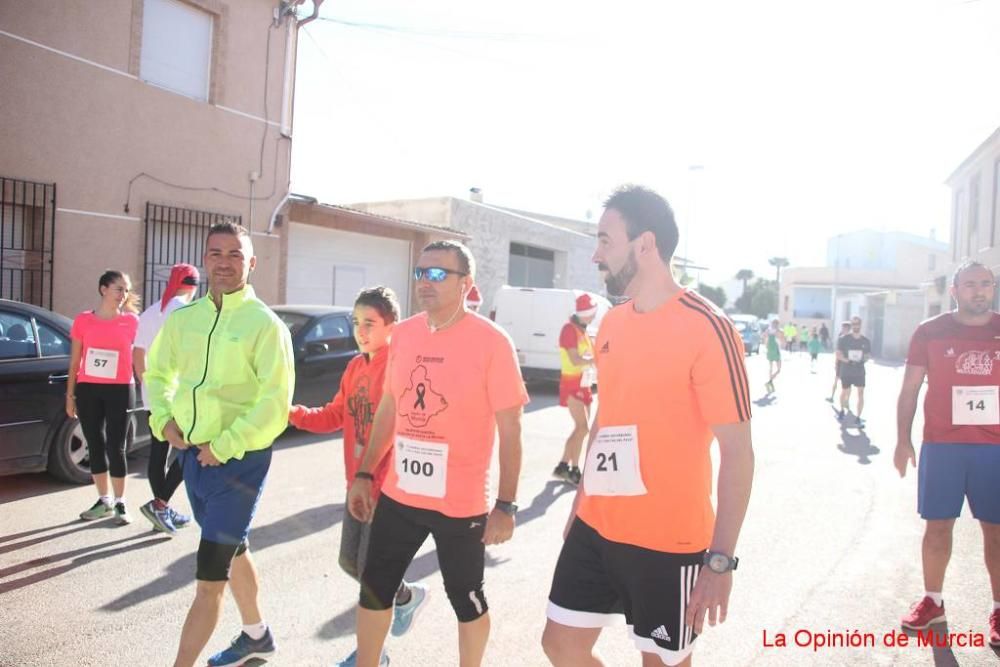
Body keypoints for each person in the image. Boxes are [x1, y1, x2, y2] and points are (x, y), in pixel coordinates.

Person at [541, 185, 754, 667]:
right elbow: (604, 422)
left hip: (668, 541)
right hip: (597, 524)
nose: (596, 255)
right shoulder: (611, 324)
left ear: (646, 244)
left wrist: (720, 559)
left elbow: (738, 452)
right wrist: (580, 500)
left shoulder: (708, 326)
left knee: (661, 663)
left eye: (604, 240)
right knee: (560, 645)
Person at [345, 240, 528, 667]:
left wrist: (505, 504)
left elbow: (511, 429)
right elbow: (391, 405)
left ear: (466, 284)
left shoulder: (491, 342)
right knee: (374, 585)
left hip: (460, 504)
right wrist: (366, 473)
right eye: (420, 272)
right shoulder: (404, 334)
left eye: (437, 274)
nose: (425, 281)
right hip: (400, 495)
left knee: (466, 598)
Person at [145, 222, 295, 667]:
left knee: (209, 579)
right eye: (216, 253)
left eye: (235, 254)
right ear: (205, 259)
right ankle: (257, 635)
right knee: (236, 547)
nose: (225, 262)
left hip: (239, 465)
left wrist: (225, 446)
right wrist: (163, 419)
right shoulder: (183, 319)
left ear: (251, 262)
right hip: (193, 459)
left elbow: (275, 405)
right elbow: (157, 374)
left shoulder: (265, 325)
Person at [288, 286, 429, 666]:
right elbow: (335, 414)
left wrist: (375, 476)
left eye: (370, 323)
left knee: (372, 575)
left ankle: (372, 654)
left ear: (391, 327)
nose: (361, 331)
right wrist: (293, 413)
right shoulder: (354, 367)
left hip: (387, 487)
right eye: (356, 323)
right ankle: (404, 597)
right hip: (357, 482)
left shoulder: (398, 364)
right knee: (351, 563)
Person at [894, 260, 1000, 647]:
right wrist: (902, 440)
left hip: (995, 449)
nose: (979, 291)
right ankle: (933, 601)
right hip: (943, 447)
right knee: (937, 528)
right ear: (955, 290)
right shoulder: (930, 331)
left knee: (996, 532)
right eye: (970, 284)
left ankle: (999, 607)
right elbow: (909, 390)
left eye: (985, 284)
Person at [68, 270, 140, 524]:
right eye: (119, 288)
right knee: (95, 445)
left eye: (126, 290)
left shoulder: (132, 322)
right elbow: (75, 361)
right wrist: (70, 395)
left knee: (116, 446)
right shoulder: (83, 320)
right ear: (103, 289)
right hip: (89, 389)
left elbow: (141, 356)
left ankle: (121, 502)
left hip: (121, 389)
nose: (124, 294)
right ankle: (104, 500)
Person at [133, 263, 200, 535]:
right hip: (177, 394)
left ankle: (161, 509)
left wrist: (148, 386)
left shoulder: (151, 311)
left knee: (159, 453)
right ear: (194, 287)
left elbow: (137, 354)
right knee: (188, 449)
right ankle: (160, 505)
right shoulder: (185, 311)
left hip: (153, 394)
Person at [552, 293, 598, 486]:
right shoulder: (569, 330)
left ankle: (563, 466)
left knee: (581, 429)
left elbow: (587, 357)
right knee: (583, 428)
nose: (594, 316)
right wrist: (597, 360)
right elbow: (575, 359)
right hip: (572, 384)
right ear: (585, 313)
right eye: (592, 313)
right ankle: (573, 470)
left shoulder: (583, 331)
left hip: (584, 384)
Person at [836, 316, 871, 426]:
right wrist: (848, 361)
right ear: (851, 325)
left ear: (860, 325)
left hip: (859, 371)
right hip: (846, 370)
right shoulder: (843, 339)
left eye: (858, 324)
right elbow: (838, 354)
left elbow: (868, 355)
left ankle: (858, 417)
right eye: (854, 324)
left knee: (861, 393)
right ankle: (841, 410)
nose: (856, 326)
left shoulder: (865, 341)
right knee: (845, 391)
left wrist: (863, 360)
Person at [827, 321, 851, 402]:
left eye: (844, 328)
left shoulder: (841, 338)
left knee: (838, 381)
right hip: (847, 363)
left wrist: (836, 362)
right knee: (845, 383)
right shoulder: (851, 338)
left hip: (843, 363)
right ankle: (845, 400)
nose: (843, 329)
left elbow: (838, 352)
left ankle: (833, 397)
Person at [764, 319, 785, 394]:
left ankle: (770, 382)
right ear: (777, 324)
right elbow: (782, 340)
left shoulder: (768, 330)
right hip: (776, 350)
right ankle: (769, 381)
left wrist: (766, 345)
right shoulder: (779, 331)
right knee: (778, 369)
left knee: (771, 368)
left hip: (769, 350)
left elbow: (764, 337)